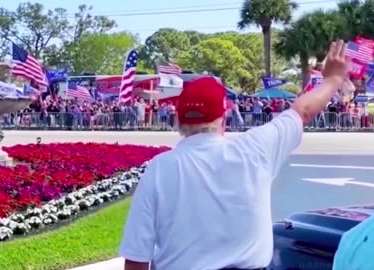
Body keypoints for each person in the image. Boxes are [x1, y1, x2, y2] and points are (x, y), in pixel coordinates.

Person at [118, 40, 347, 270]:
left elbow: (136, 258)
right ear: (224, 118)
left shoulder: (160, 168)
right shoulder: (256, 148)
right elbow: (303, 111)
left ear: (178, 121)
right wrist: (332, 80)